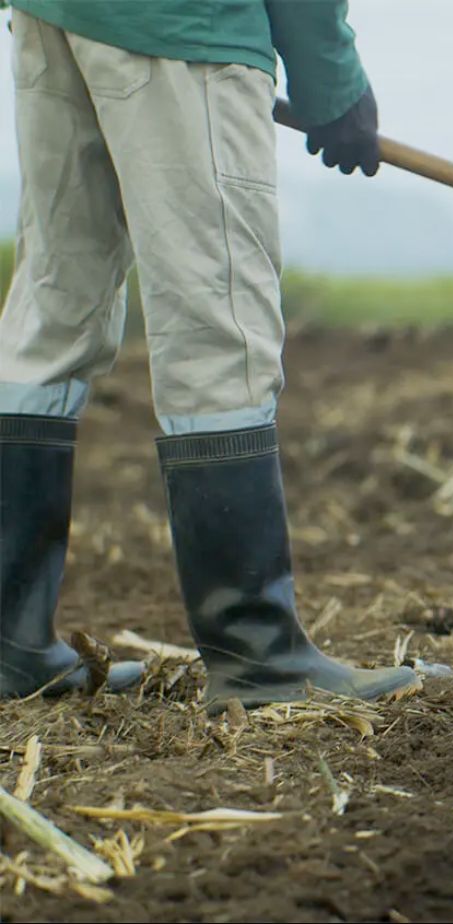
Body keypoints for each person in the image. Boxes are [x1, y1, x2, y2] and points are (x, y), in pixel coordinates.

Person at [0, 0, 420, 710]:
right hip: (182, 23)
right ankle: (259, 659)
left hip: (54, 15)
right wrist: (331, 80)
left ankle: (9, 645)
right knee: (219, 320)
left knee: (52, 308)